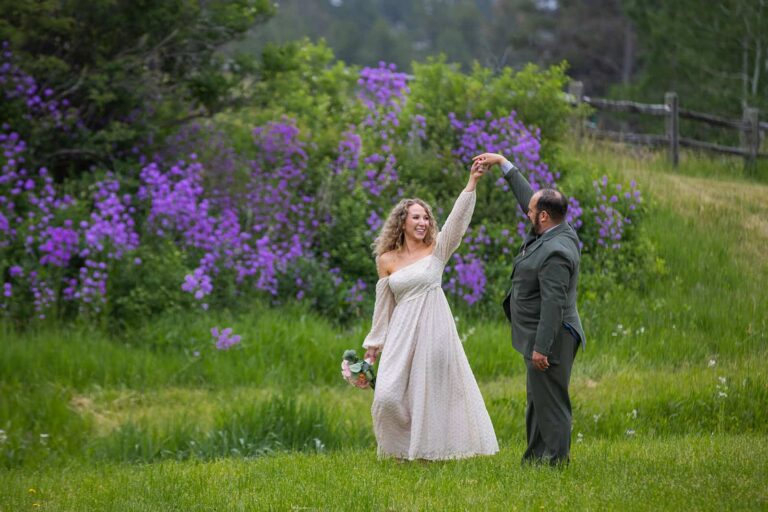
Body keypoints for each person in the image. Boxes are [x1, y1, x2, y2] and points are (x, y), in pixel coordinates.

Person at [361, 160, 499, 461]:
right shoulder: (387, 260)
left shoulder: (437, 250)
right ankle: (396, 452)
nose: (423, 222)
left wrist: (471, 183)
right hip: (400, 333)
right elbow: (383, 308)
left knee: (428, 394)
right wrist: (372, 349)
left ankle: (427, 454)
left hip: (434, 329)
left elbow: (456, 223)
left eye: (426, 217)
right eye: (416, 217)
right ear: (403, 222)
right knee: (387, 396)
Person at [473, 152, 585, 466]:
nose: (527, 213)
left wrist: (541, 348)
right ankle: (536, 458)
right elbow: (530, 199)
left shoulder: (556, 252)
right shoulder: (554, 228)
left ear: (544, 217)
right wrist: (503, 163)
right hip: (539, 334)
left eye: (532, 211)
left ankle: (555, 463)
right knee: (537, 400)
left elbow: (553, 305)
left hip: (552, 337)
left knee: (552, 403)